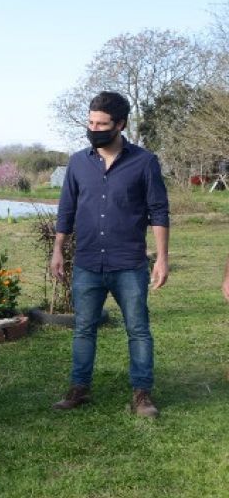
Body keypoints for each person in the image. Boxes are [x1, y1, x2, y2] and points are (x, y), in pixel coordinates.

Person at [51, 91, 170, 418]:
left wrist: (161, 258)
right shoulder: (77, 162)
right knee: (83, 328)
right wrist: (58, 249)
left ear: (120, 124)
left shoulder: (145, 162)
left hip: (129, 263)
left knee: (138, 329)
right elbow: (66, 209)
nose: (94, 128)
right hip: (87, 263)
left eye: (102, 123)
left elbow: (158, 211)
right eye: (90, 122)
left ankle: (142, 394)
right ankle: (79, 389)